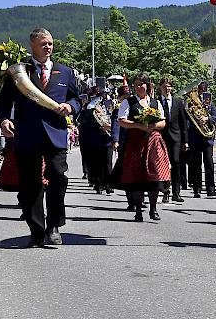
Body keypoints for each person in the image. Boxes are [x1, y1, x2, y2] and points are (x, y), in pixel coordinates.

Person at [0, 28, 81, 248]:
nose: (48, 47)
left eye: (50, 43)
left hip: (56, 133)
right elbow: (4, 102)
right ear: (32, 45)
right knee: (30, 184)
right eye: (43, 43)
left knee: (58, 178)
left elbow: (76, 98)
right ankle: (36, 230)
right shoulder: (19, 71)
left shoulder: (64, 71)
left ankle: (53, 226)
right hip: (27, 134)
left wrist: (70, 107)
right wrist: (4, 120)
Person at [116, 74, 170, 222]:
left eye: (141, 84)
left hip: (153, 142)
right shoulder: (128, 102)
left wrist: (153, 126)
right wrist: (138, 125)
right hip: (135, 143)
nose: (139, 87)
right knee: (136, 177)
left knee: (155, 175)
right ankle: (138, 210)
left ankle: (153, 208)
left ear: (147, 85)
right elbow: (122, 121)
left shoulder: (155, 103)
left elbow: (163, 122)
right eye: (136, 84)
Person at [158, 78, 192, 201]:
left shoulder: (178, 102)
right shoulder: (156, 102)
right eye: (164, 86)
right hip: (161, 137)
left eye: (169, 87)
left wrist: (185, 141)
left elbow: (183, 123)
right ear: (160, 88)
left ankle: (176, 193)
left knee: (176, 164)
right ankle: (165, 191)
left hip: (176, 137)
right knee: (164, 164)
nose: (167, 89)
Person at [187, 81, 216, 202]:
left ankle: (211, 188)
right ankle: (197, 188)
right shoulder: (190, 104)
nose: (201, 92)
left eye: (203, 90)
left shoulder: (209, 104)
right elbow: (187, 119)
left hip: (207, 139)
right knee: (196, 164)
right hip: (195, 136)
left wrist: (208, 118)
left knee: (209, 163)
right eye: (200, 90)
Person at [78, 86, 114, 194]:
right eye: (96, 95)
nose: (98, 98)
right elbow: (83, 123)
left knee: (108, 162)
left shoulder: (109, 105)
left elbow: (114, 118)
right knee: (96, 162)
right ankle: (98, 184)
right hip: (95, 138)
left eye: (100, 95)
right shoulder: (88, 108)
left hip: (107, 137)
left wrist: (108, 124)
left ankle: (108, 184)